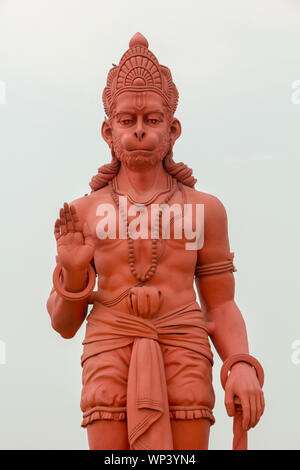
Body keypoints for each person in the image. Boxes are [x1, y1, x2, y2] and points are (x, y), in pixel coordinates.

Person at [47, 33, 265, 450]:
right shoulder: (85, 213)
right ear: (108, 131)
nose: (140, 131)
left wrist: (240, 364)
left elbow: (220, 303)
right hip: (109, 347)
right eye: (128, 121)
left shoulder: (205, 210)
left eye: (152, 120)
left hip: (184, 347)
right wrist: (74, 273)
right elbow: (63, 324)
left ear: (173, 128)